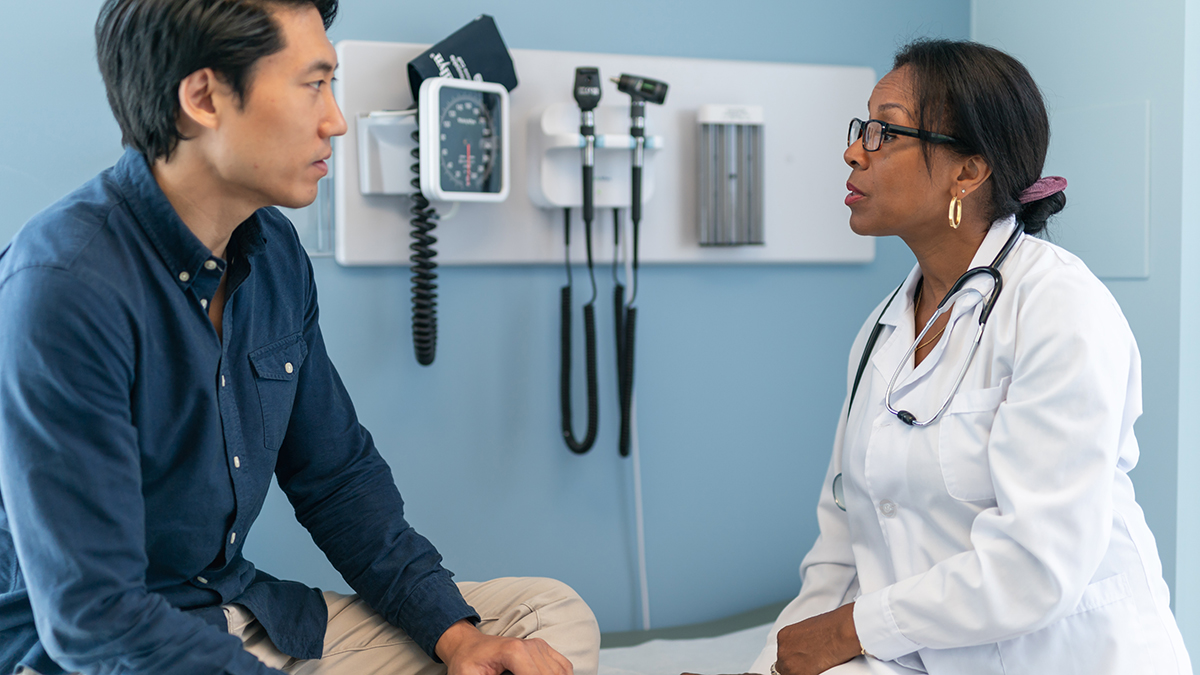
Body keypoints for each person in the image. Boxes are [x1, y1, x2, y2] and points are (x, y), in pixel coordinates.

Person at [0, 1, 600, 674]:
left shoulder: (274, 254)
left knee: (547, 617)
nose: (336, 120)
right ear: (203, 97)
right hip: (107, 656)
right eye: (314, 84)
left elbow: (337, 479)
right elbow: (96, 619)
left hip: (238, 617)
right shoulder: (63, 284)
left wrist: (460, 638)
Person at [745, 39, 1192, 674]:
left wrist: (854, 629)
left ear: (968, 171)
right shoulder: (881, 333)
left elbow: (1035, 567)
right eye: (861, 130)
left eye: (883, 133)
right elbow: (843, 549)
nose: (853, 152)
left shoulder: (1058, 308)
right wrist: (769, 665)